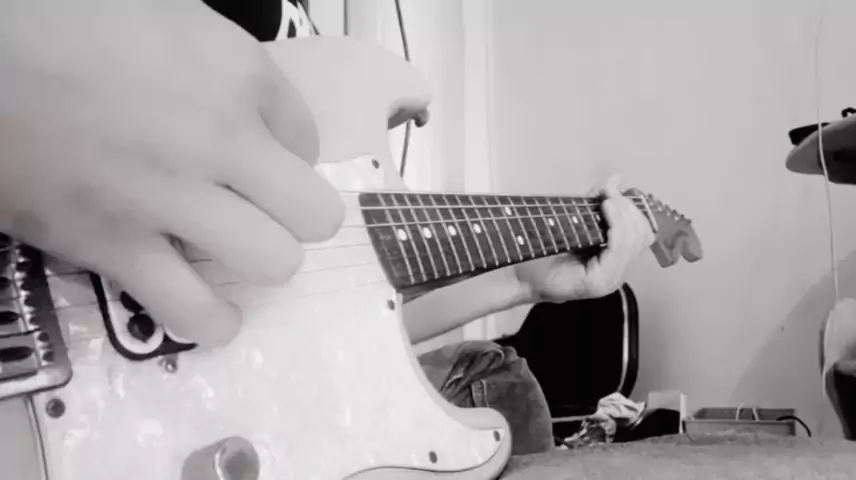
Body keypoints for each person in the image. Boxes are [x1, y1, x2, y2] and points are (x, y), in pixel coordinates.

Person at [0, 0, 654, 455]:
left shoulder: (312, 44)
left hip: (170, 415)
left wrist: (519, 280)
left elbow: (320, 311)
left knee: (498, 377)